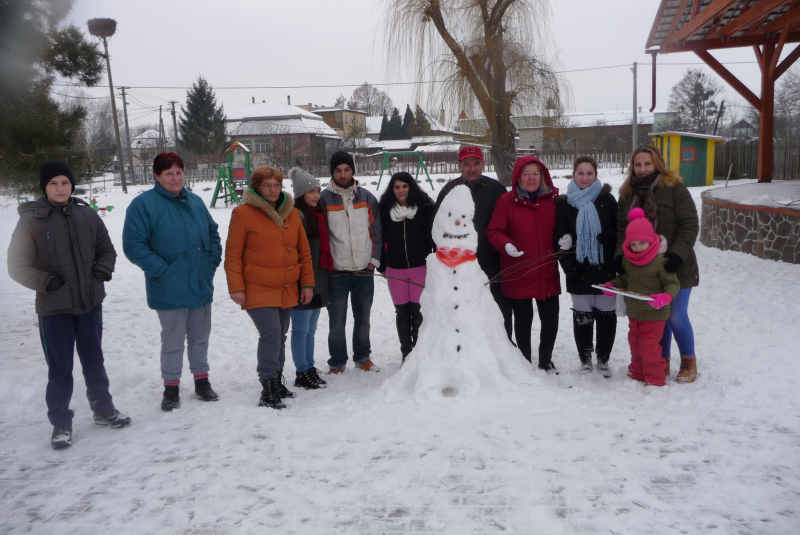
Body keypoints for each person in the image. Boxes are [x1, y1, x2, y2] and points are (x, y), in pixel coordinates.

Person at [8, 161, 131, 450]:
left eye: (64, 182)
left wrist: (103, 269)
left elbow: (106, 250)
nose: (60, 188)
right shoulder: (31, 220)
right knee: (60, 368)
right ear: (44, 188)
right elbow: (16, 265)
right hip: (54, 308)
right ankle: (61, 423)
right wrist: (45, 282)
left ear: (72, 185)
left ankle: (103, 409)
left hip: (90, 302)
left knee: (94, 360)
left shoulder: (87, 215)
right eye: (53, 183)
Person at [123, 152, 222, 411]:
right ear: (156, 176)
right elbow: (134, 246)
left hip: (200, 282)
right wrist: (164, 271)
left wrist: (211, 261)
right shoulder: (143, 205)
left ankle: (202, 381)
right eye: (169, 173)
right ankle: (171, 387)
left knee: (200, 337)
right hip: (169, 286)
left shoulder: (196, 202)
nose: (175, 178)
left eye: (179, 172)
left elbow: (213, 234)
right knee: (173, 340)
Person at [225, 166, 314, 409]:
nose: (273, 190)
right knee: (271, 334)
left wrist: (306, 283)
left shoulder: (292, 213)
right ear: (256, 188)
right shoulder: (242, 213)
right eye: (267, 185)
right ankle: (267, 386)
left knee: (280, 335)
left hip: (286, 286)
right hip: (257, 286)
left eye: (276, 185)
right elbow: (233, 254)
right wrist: (236, 287)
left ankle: (276, 380)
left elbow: (303, 252)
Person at [616, 145, 700, 383]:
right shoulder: (627, 193)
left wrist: (677, 254)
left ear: (658, 164)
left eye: (647, 163)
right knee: (654, 315)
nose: (642, 169)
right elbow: (622, 230)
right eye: (637, 164)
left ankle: (688, 361)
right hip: (643, 268)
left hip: (677, 265)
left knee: (674, 315)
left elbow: (690, 224)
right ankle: (661, 361)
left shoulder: (674, 188)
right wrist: (619, 257)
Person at [486, 156, 561, 373]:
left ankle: (545, 359)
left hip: (546, 270)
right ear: (518, 177)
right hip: (519, 269)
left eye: (535, 173)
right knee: (523, 318)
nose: (531, 178)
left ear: (542, 176)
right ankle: (524, 360)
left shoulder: (551, 201)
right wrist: (506, 244)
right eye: (526, 174)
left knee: (550, 317)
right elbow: (494, 231)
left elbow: (559, 228)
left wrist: (565, 238)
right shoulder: (506, 201)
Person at [433, 146, 512, 342]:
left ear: (483, 164)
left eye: (476, 163)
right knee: (465, 311)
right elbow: (437, 226)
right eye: (466, 164)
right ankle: (469, 351)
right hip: (460, 267)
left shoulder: (496, 190)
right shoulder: (449, 190)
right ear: (459, 165)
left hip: (491, 263)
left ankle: (504, 347)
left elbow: (507, 223)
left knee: (498, 308)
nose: (472, 168)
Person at [318, 151, 383, 374]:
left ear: (353, 170)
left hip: (364, 269)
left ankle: (363, 356)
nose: (343, 174)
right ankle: (337, 362)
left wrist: (373, 261)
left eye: (347, 169)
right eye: (338, 170)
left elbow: (376, 231)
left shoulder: (366, 197)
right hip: (337, 272)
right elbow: (322, 236)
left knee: (363, 318)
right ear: (332, 172)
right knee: (336, 321)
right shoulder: (324, 199)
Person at [555, 156, 618, 377]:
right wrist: (569, 270)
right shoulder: (565, 204)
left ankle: (603, 358)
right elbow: (559, 240)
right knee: (582, 316)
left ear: (596, 175)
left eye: (589, 173)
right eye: (580, 173)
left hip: (605, 267)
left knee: (606, 316)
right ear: (573, 175)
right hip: (579, 269)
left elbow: (619, 232)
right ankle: (585, 358)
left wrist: (609, 238)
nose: (584, 177)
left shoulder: (608, 200)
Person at [604, 208, 680, 386]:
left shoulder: (660, 261)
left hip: (654, 314)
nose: (637, 248)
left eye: (642, 243)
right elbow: (624, 279)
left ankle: (654, 379)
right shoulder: (628, 260)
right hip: (635, 313)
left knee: (649, 348)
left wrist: (665, 296)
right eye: (633, 244)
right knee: (635, 344)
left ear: (651, 240)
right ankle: (637, 373)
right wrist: (612, 286)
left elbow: (673, 283)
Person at [377, 172, 435, 362]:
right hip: (395, 269)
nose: (401, 190)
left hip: (420, 268)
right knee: (402, 313)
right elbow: (379, 239)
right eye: (396, 187)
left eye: (404, 186)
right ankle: (406, 353)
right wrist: (382, 266)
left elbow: (435, 235)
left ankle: (419, 352)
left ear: (411, 187)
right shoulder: (384, 210)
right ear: (392, 189)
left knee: (418, 311)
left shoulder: (425, 208)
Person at [287, 167, 333, 390]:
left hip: (318, 281)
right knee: (301, 330)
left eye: (317, 190)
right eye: (311, 192)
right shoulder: (297, 217)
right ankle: (301, 372)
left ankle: (309, 367)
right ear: (300, 195)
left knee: (311, 330)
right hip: (302, 283)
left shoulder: (317, 215)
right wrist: (303, 282)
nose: (316, 195)